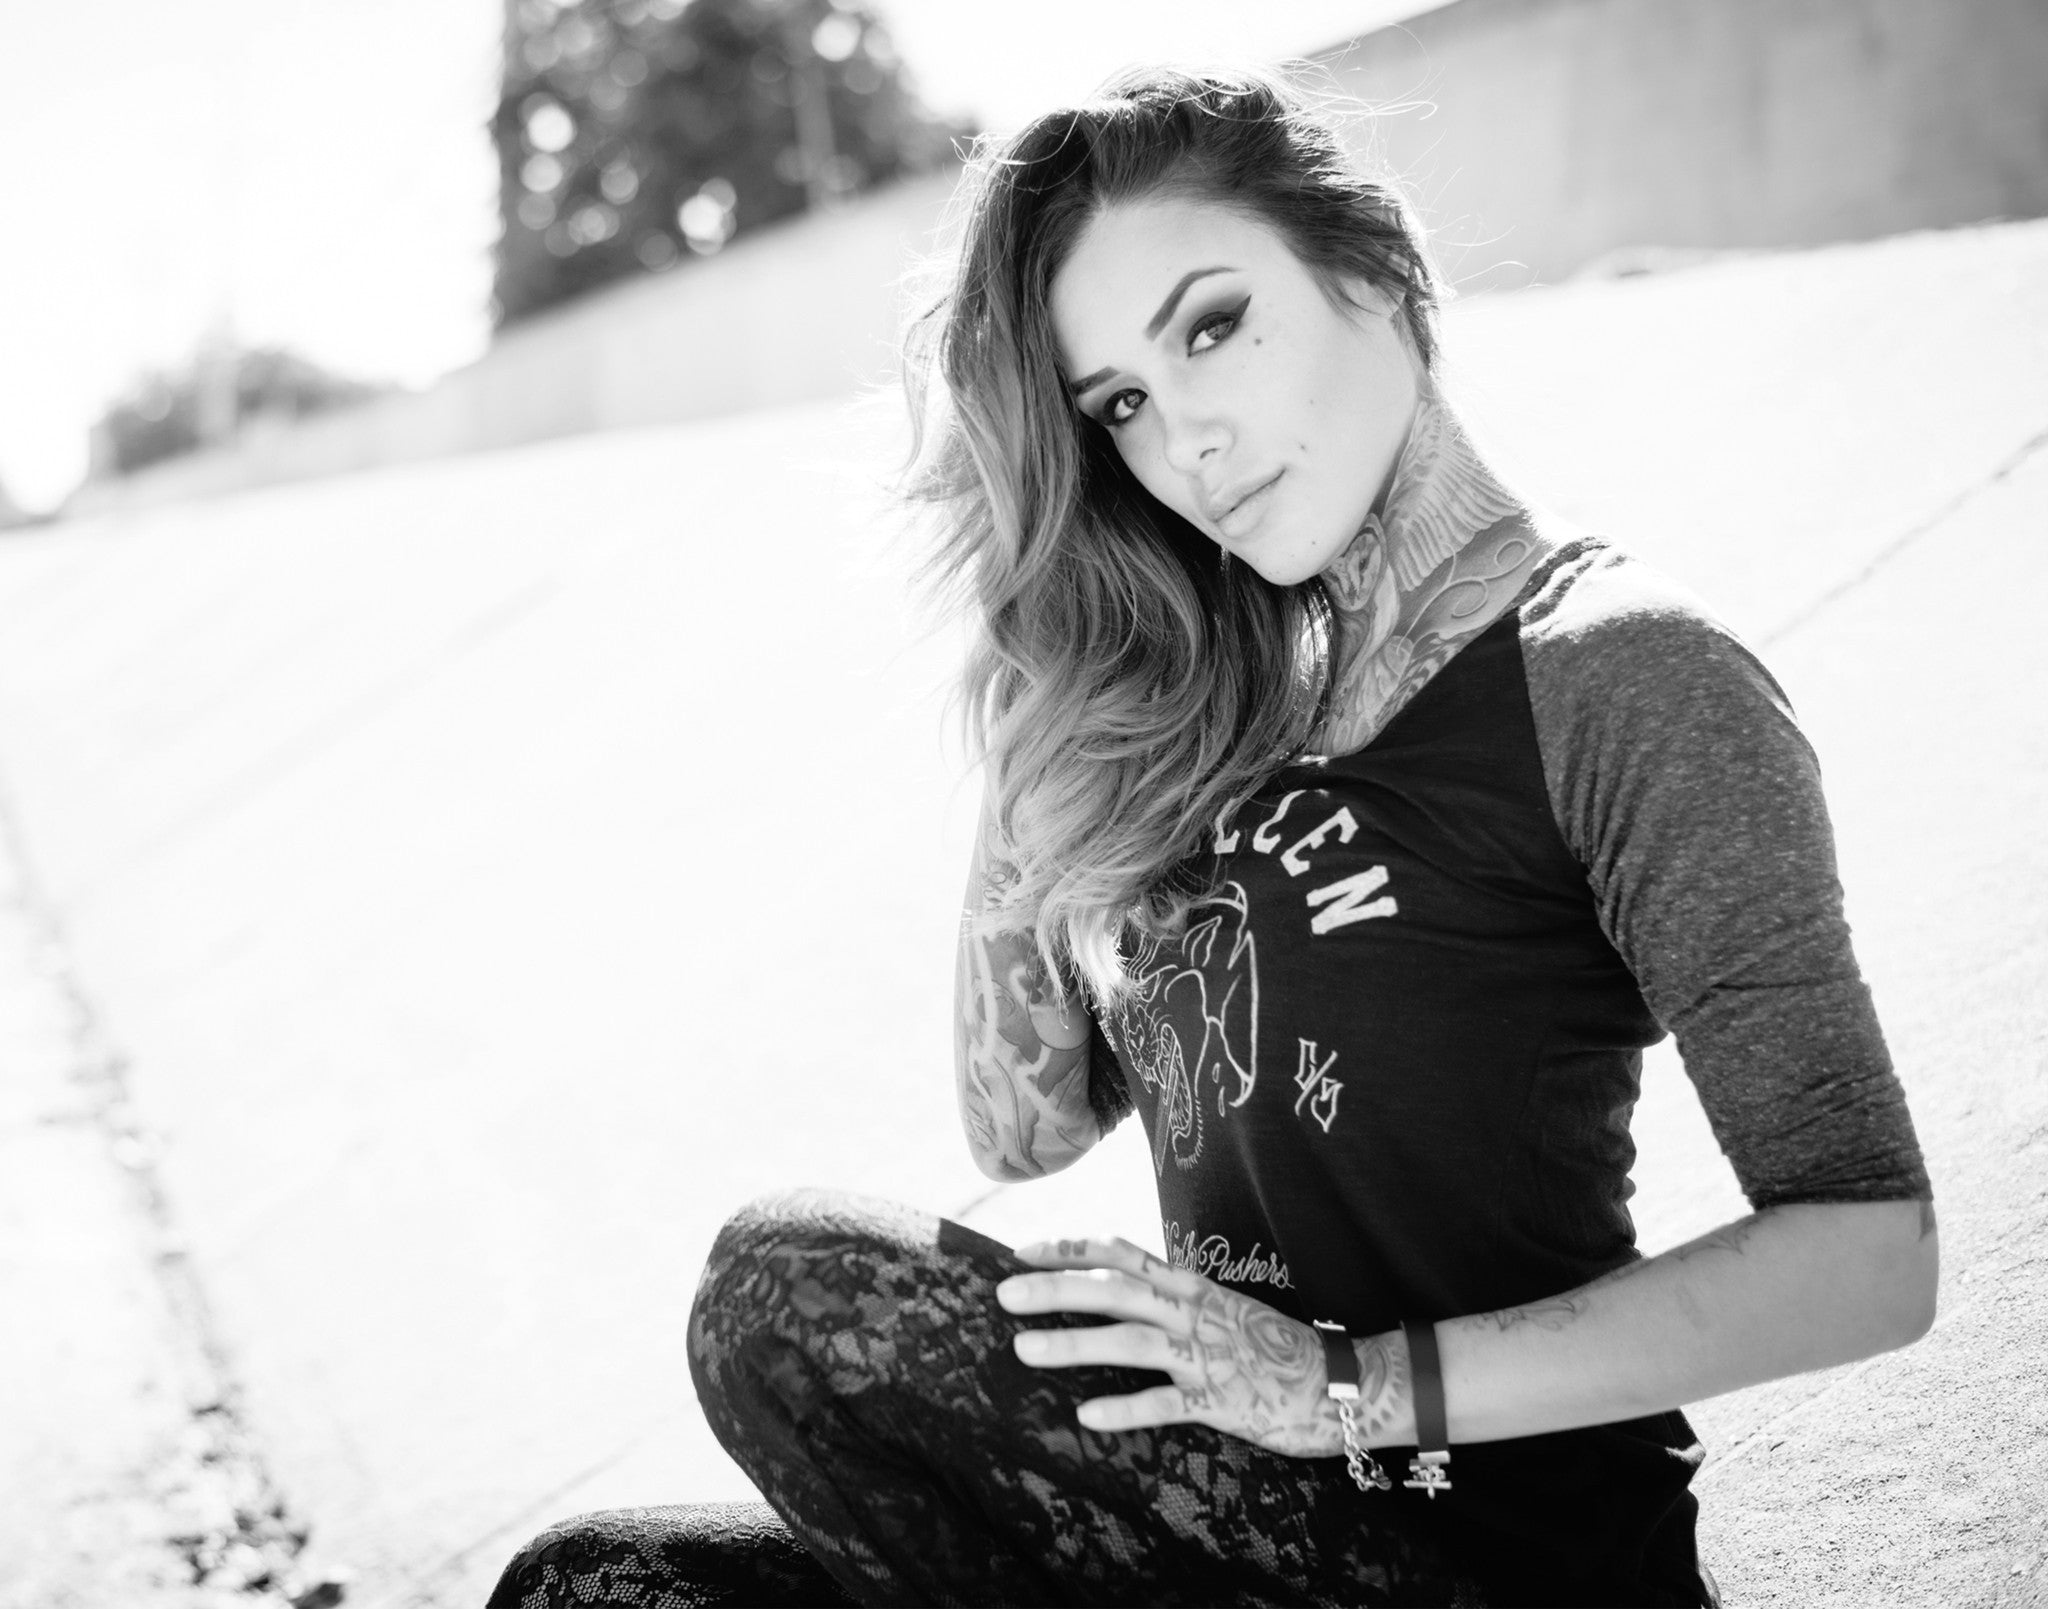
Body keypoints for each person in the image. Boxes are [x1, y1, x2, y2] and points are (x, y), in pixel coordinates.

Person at [488, 65, 1936, 1608]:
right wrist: (1047, 674)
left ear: (1374, 268)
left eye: (1211, 326)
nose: (1185, 440)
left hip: (1485, 1557)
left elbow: (1869, 1251)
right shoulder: (1220, 712)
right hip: (1219, 1521)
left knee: (785, 1284)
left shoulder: (1619, 672)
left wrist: (1337, 1388)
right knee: (600, 1585)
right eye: (1116, 404)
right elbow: (1023, 1127)